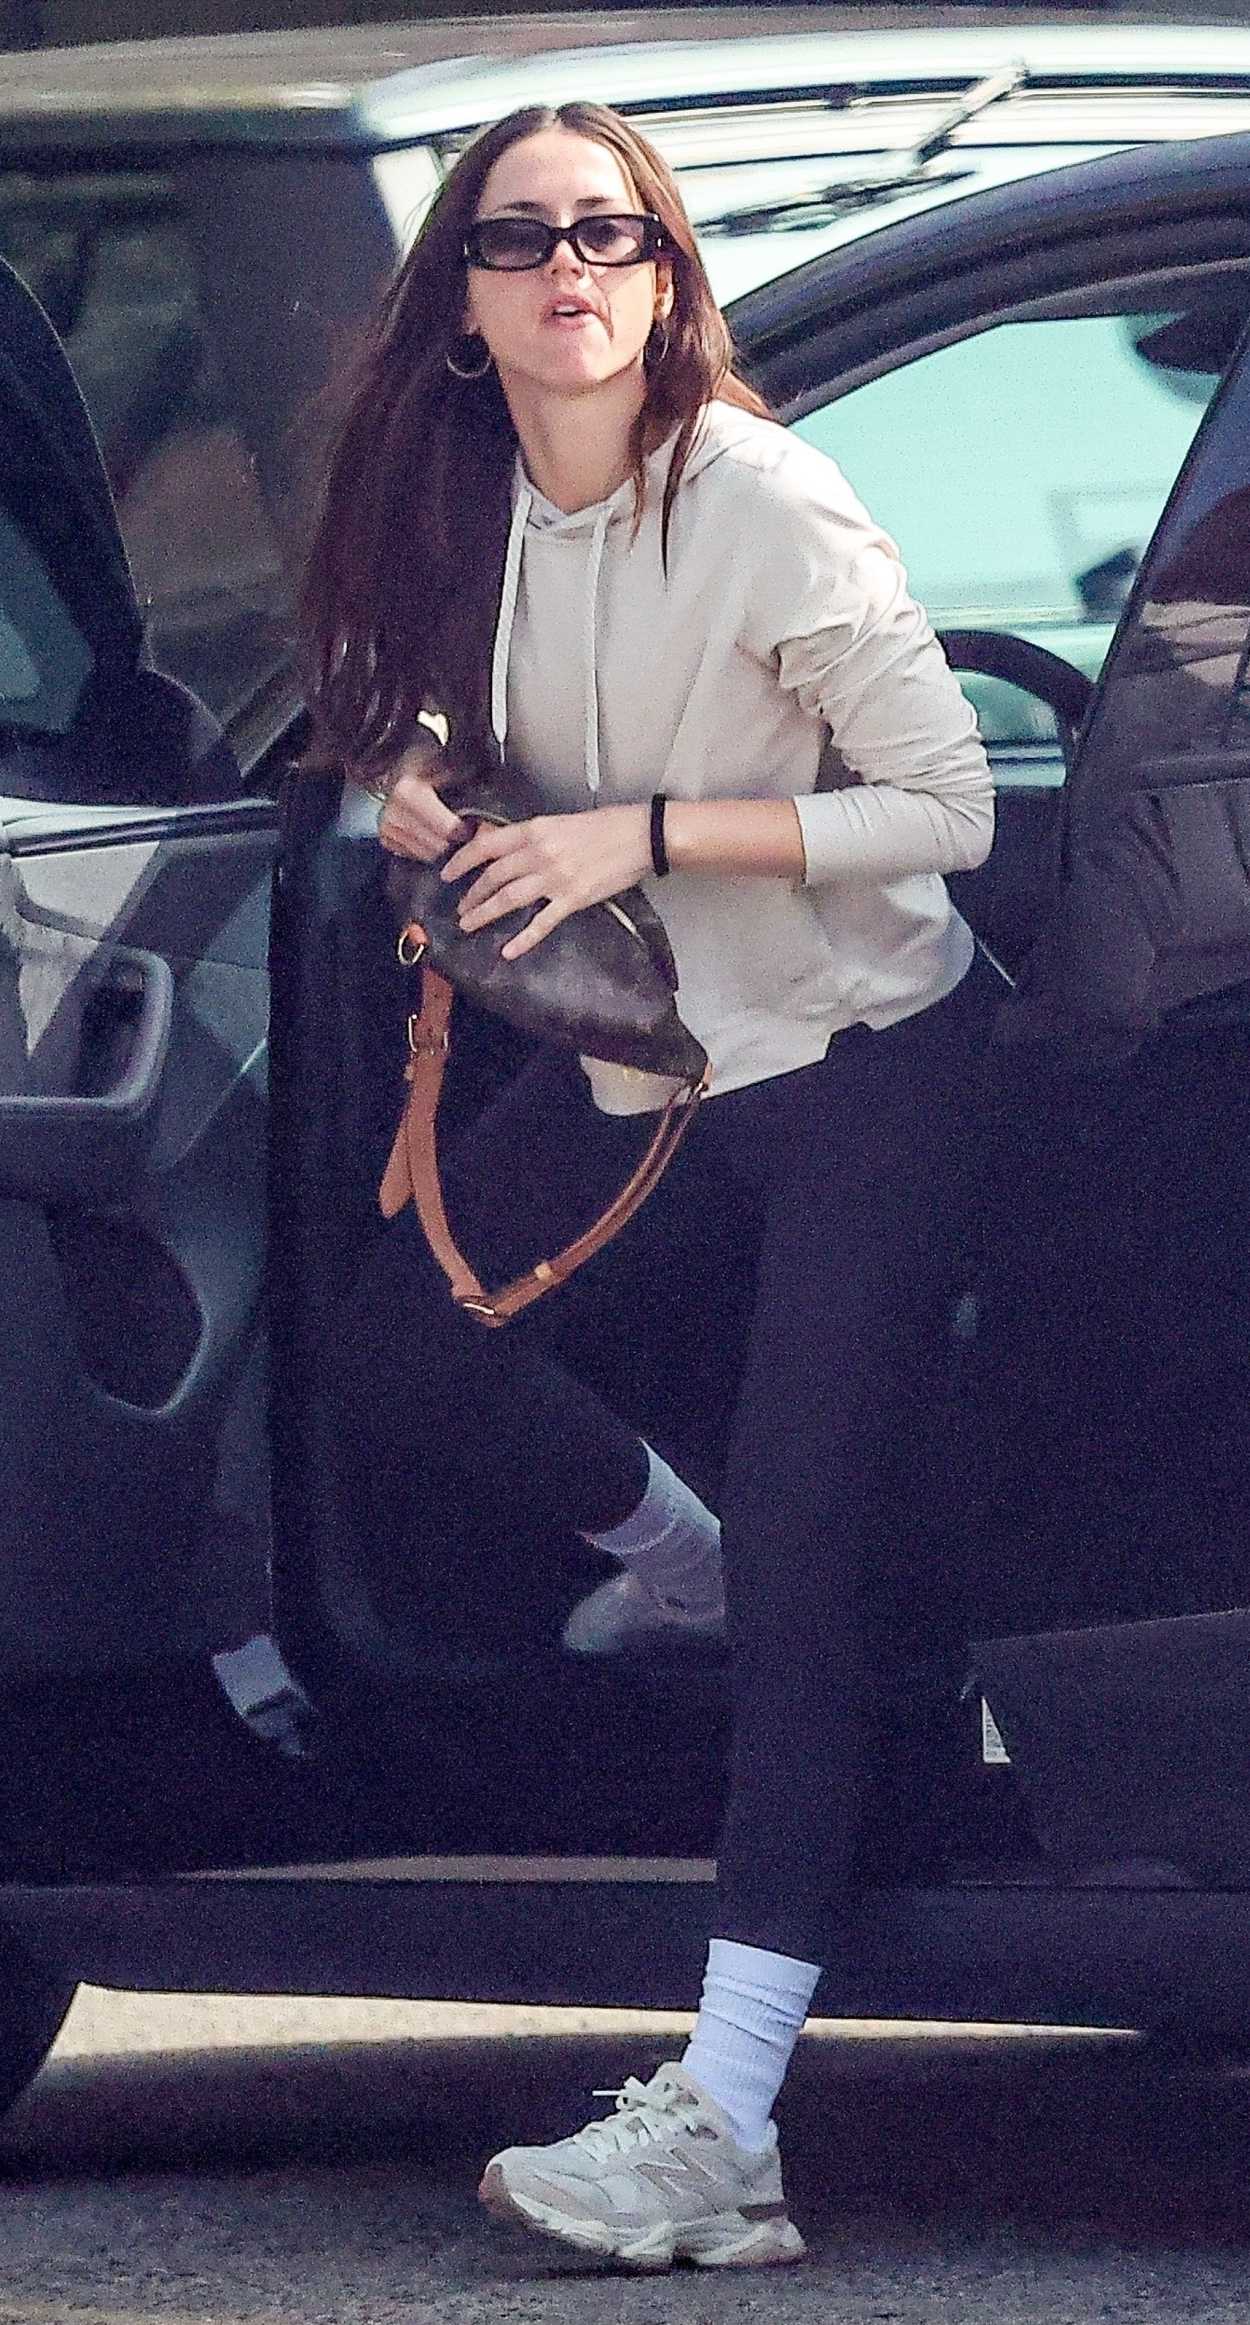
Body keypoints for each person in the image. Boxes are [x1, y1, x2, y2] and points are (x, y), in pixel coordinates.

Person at [299, 99, 995, 2273]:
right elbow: (408, 719)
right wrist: (424, 791)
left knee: (809, 1563)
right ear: (462, 304)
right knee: (405, 1347)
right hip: (659, 1060)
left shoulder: (760, 501)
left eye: (611, 232)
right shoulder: (465, 509)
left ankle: (727, 2122)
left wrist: (647, 834)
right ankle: (664, 1552)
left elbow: (949, 805)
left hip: (860, 1058)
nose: (569, 269)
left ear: (667, 276)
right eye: (519, 239)